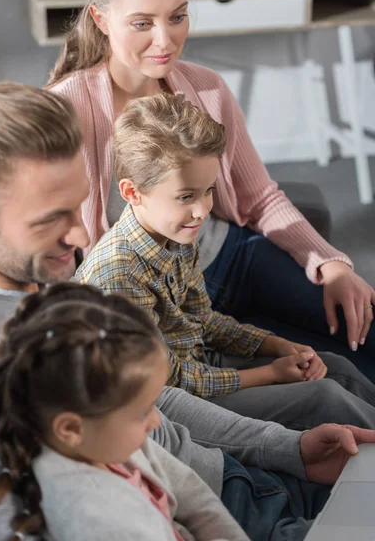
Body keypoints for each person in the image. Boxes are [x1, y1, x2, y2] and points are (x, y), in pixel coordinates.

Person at [0, 83, 373, 541]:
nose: (81, 237)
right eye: (49, 219)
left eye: (77, 208)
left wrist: (288, 449)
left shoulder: (52, 288)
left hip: (212, 477)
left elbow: (153, 408)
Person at [47, 0, 375, 380]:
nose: (165, 40)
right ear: (100, 19)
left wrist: (331, 263)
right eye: (142, 23)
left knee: (364, 325)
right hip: (161, 299)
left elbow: (260, 196)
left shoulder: (207, 89)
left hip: (233, 255)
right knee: (334, 371)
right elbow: (53, 241)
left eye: (178, 16)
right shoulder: (66, 109)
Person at [77, 92, 375, 429]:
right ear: (132, 192)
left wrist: (278, 346)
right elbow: (170, 379)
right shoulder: (119, 275)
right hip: (170, 405)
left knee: (334, 367)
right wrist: (268, 374)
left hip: (200, 367)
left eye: (208, 191)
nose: (203, 209)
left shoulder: (176, 235)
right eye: (186, 196)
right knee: (324, 398)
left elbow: (205, 321)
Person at [0, 283, 247, 541]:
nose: (156, 421)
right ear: (70, 429)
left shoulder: (105, 440)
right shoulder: (96, 519)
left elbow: (188, 487)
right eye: (142, 412)